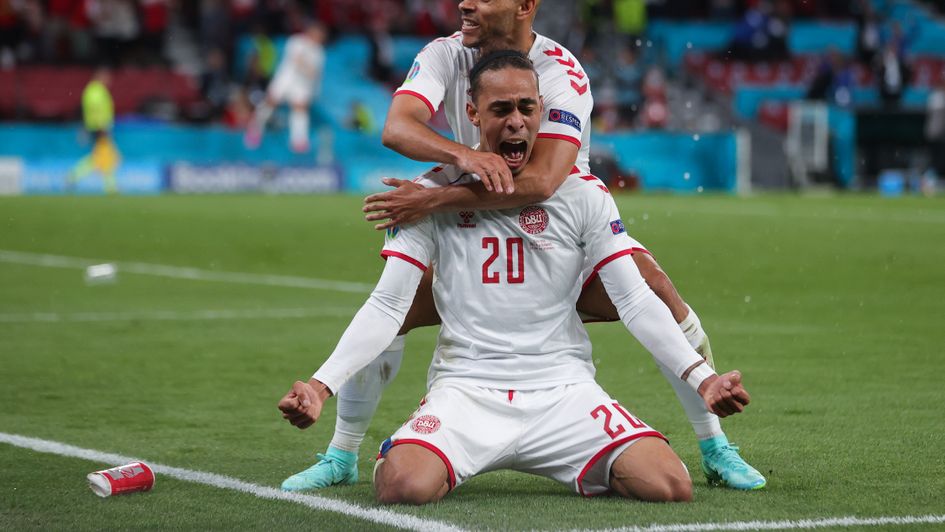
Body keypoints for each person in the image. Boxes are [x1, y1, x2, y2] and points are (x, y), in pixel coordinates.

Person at [284, 0, 765, 493]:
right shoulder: (444, 54)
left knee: (652, 289)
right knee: (395, 307)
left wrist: (434, 199)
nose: (466, 3)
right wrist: (464, 157)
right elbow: (397, 127)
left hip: (557, 229)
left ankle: (714, 444)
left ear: (524, 7)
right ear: (475, 110)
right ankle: (343, 453)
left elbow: (539, 181)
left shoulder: (562, 72)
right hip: (469, 223)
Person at [244, 20, 326, 153]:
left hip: (302, 85)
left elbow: (315, 74)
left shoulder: (319, 52)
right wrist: (308, 69)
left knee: (300, 108)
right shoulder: (296, 41)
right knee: (271, 102)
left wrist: (311, 79)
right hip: (285, 80)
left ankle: (298, 141)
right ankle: (255, 129)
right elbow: (297, 61)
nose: (319, 37)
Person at [68, 67, 121, 194]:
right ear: (100, 77)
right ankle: (110, 186)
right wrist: (101, 125)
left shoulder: (96, 90)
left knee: (102, 157)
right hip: (99, 128)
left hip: (99, 127)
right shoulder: (96, 91)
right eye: (107, 77)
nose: (109, 80)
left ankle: (74, 176)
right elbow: (95, 109)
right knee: (107, 157)